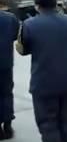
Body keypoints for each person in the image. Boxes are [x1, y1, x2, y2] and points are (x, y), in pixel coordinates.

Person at [16, 0, 67, 142]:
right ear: (55, 3)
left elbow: (23, 50)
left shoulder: (28, 24)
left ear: (37, 5)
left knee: (48, 125)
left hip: (44, 84)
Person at [0, 11, 19, 140]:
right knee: (7, 93)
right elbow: (15, 36)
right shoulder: (10, 18)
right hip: (5, 62)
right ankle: (8, 125)